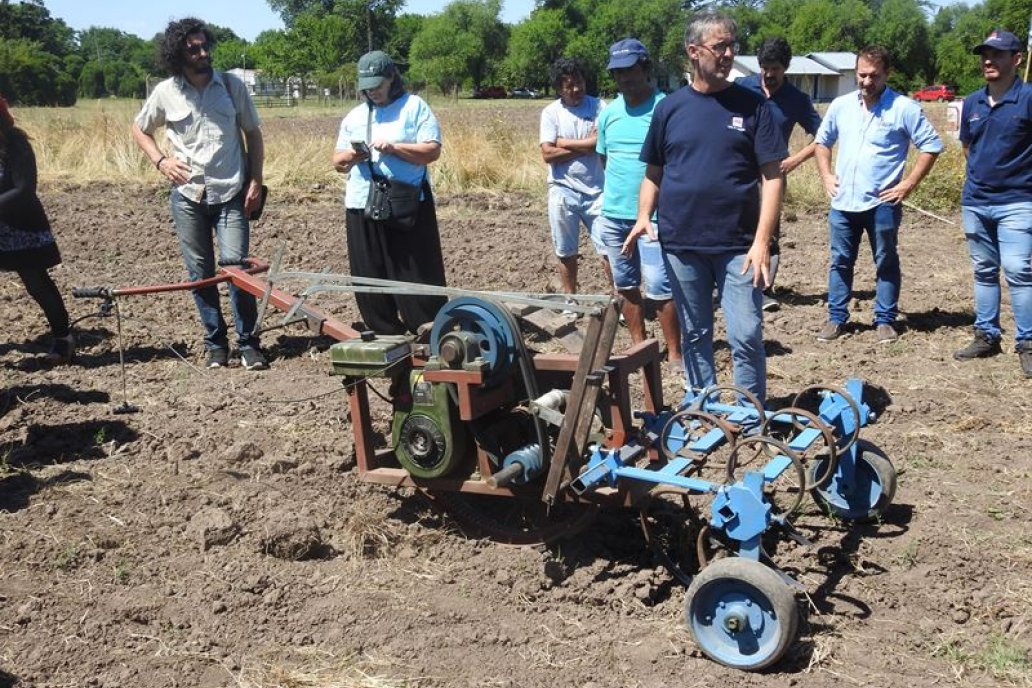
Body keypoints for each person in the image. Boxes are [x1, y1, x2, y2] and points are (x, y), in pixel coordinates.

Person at [627, 10, 786, 403]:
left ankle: (751, 411)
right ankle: (702, 403)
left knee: (745, 332)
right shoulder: (670, 108)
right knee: (695, 332)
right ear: (694, 51)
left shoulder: (754, 106)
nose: (730, 53)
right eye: (720, 46)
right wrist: (644, 216)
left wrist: (762, 241)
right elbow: (653, 172)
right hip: (682, 244)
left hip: (740, 245)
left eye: (733, 45)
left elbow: (773, 176)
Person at [132, 17, 268, 370]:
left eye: (206, 46)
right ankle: (216, 345)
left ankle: (249, 344)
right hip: (188, 196)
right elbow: (140, 129)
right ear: (178, 53)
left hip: (232, 194)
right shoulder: (166, 92)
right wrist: (161, 161)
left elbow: (252, 134)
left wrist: (256, 179)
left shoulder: (232, 86)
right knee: (201, 274)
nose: (203, 53)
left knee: (238, 271)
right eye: (194, 49)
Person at [814, 46, 942, 344]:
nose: (867, 81)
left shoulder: (904, 108)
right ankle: (836, 318)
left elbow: (931, 146)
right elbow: (822, 142)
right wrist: (826, 175)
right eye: (862, 75)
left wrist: (907, 184)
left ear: (887, 74)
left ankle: (884, 319)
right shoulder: (841, 105)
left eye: (874, 76)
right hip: (843, 203)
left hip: (882, 203)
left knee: (885, 260)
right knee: (840, 261)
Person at [332, 50, 446, 335]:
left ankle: (427, 331)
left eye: (378, 86)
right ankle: (385, 334)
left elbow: (432, 151)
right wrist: (353, 156)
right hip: (363, 203)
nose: (373, 93)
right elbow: (337, 162)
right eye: (367, 88)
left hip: (406, 203)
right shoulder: (354, 116)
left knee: (415, 272)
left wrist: (395, 148)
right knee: (369, 274)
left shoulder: (415, 107)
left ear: (392, 78)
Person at [595, 39, 682, 372]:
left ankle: (674, 352)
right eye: (618, 72)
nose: (624, 78)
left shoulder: (666, 107)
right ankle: (639, 348)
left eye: (630, 69)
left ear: (646, 68)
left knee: (660, 287)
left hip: (655, 217)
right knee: (626, 286)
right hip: (615, 215)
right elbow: (604, 158)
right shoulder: (610, 114)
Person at [952, 29, 1031, 378]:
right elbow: (968, 147)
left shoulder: (1028, 99)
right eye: (985, 54)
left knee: (1018, 270)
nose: (989, 60)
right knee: (984, 271)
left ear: (1017, 59)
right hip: (976, 202)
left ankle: (1027, 342)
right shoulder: (972, 102)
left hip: (1018, 201)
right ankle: (987, 335)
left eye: (998, 54)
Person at [737, 37, 822, 311]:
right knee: (734, 227)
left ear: (785, 68)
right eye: (764, 67)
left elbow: (824, 136)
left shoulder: (796, 100)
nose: (769, 74)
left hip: (771, 175)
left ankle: (762, 290)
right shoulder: (742, 88)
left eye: (775, 68)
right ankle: (730, 285)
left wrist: (795, 160)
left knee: (768, 232)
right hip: (737, 171)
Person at [0, 96, 74, 365]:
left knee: (36, 283)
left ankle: (64, 340)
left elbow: (24, 189)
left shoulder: (15, 144)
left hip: (20, 227)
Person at [539, 57, 607, 299]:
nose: (576, 89)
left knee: (609, 249)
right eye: (569, 85)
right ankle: (571, 300)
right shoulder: (551, 113)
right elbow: (547, 154)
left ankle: (618, 302)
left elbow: (599, 143)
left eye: (579, 82)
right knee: (565, 251)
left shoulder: (600, 107)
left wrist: (565, 143)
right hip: (562, 190)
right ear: (559, 88)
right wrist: (585, 145)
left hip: (598, 191)